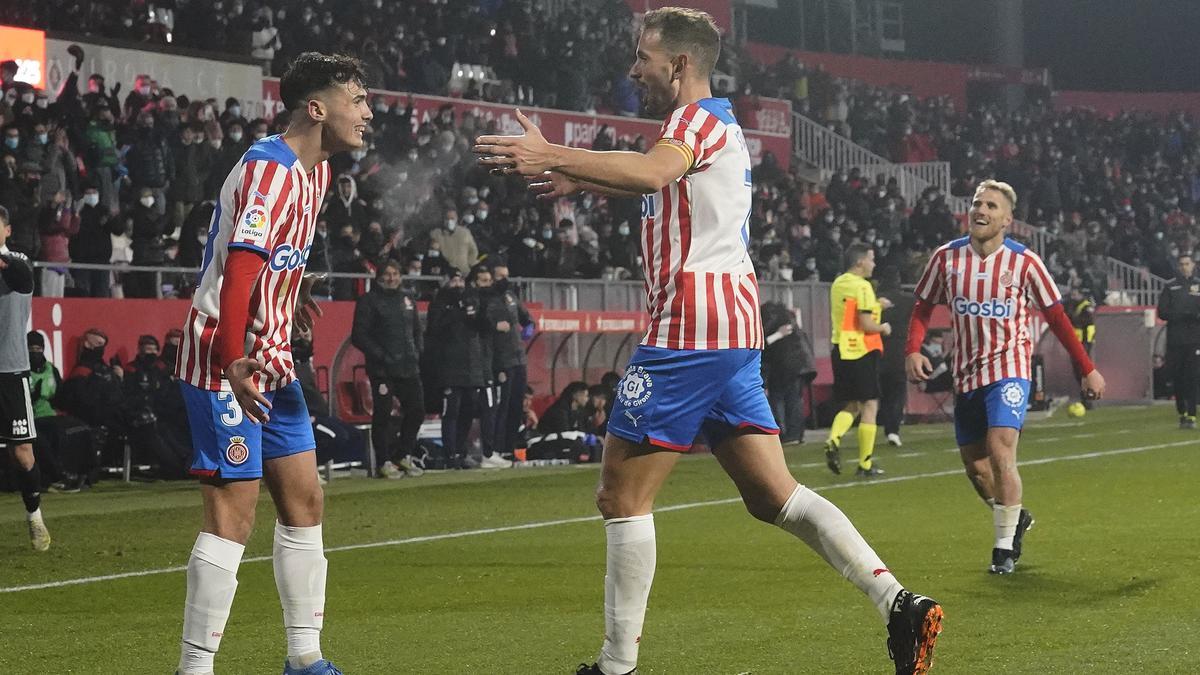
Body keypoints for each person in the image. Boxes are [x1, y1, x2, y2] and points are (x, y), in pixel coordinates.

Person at [476, 9, 942, 674]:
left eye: (642, 57)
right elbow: (658, 183)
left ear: (678, 65)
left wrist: (553, 152)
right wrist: (580, 177)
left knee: (620, 495)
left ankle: (614, 666)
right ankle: (898, 602)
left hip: (691, 326)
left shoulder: (694, 121)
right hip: (729, 327)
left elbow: (650, 175)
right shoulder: (704, 127)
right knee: (772, 494)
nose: (633, 69)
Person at [172, 52, 371, 675]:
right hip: (223, 356)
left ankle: (304, 659)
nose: (367, 112)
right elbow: (238, 273)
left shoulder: (319, 173)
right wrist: (233, 358)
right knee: (234, 514)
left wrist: (295, 290)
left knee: (305, 502)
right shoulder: (270, 170)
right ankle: (195, 669)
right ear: (317, 108)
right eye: (356, 99)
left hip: (274, 358)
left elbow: (274, 257)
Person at [906, 180, 1106, 576]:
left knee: (1001, 451)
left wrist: (1088, 368)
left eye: (991, 206)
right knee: (977, 471)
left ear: (1007, 220)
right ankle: (1017, 518)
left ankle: (1003, 551)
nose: (980, 210)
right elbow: (922, 308)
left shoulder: (1025, 263)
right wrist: (913, 348)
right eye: (977, 203)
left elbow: (1058, 319)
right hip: (966, 375)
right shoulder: (946, 258)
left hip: (1010, 370)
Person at [0, 207, 51, 551]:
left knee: (22, 452)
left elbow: (22, 279)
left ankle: (34, 516)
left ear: (7, 229)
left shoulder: (17, 260)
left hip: (10, 369)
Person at [350, 259, 426, 478]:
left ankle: (403, 454)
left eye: (395, 273)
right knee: (382, 415)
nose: (392, 278)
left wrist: (417, 351)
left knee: (417, 410)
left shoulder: (407, 299)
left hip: (408, 366)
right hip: (382, 370)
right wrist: (382, 356)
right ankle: (383, 461)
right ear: (379, 276)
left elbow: (416, 330)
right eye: (388, 274)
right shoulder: (368, 301)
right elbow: (359, 336)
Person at [823, 243, 890, 477]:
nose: (874, 263)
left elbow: (850, 313)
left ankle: (834, 438)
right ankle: (865, 463)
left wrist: (875, 305)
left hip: (840, 349)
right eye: (871, 259)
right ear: (860, 262)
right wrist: (883, 327)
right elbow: (865, 324)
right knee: (870, 404)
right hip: (861, 350)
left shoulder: (838, 284)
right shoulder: (863, 286)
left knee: (851, 404)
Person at [425, 270, 488, 470]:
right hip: (449, 368)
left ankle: (461, 452)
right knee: (451, 412)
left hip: (472, 367)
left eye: (460, 279)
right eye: (453, 280)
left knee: (468, 412)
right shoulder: (439, 303)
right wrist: (457, 312)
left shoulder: (472, 300)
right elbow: (434, 329)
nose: (457, 284)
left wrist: (476, 313)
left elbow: (483, 328)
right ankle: (450, 454)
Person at [481, 260, 532, 463]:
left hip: (519, 358)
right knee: (500, 407)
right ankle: (497, 448)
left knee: (515, 406)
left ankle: (509, 448)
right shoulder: (486, 300)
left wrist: (529, 326)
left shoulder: (511, 296)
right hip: (500, 360)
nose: (505, 280)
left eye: (506, 275)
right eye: (501, 276)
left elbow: (526, 317)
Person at [1155, 252, 1200, 429]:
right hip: (1175, 340)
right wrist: (1183, 315)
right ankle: (1181, 410)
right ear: (1178, 266)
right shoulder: (1170, 287)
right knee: (1177, 377)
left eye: (1187, 264)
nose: (1184, 267)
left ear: (1193, 265)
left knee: (1192, 376)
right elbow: (1163, 312)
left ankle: (1191, 414)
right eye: (1181, 264)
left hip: (1195, 340)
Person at [878, 267, 915, 446]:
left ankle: (878, 423)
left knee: (879, 391)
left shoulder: (874, 299)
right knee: (898, 391)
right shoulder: (908, 300)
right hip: (900, 348)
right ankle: (893, 429)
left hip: (877, 348)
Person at [1067, 286, 1097, 410]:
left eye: (1075, 295)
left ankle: (1088, 398)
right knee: (1077, 372)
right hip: (1076, 343)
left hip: (1084, 343)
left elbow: (1086, 323)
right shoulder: (1073, 306)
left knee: (1084, 371)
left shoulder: (1086, 307)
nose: (1073, 297)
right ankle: (1085, 396)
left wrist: (1086, 343)